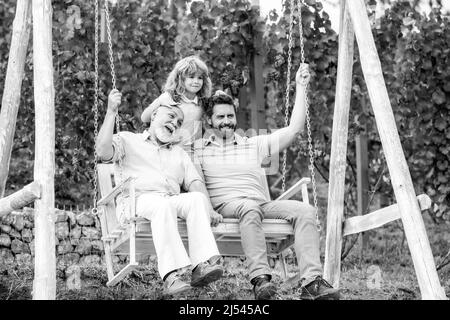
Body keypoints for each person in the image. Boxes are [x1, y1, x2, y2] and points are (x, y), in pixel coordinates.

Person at [193, 64, 340, 300]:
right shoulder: (198, 149)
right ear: (209, 120)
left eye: (230, 116)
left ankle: (311, 282)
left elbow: (294, 130)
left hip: (259, 205)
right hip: (226, 207)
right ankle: (260, 279)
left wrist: (301, 87)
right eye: (220, 117)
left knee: (305, 211)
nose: (227, 121)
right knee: (249, 207)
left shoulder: (253, 144)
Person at [96, 89, 224, 297]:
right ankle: (171, 276)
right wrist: (111, 111)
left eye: (179, 122)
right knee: (162, 205)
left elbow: (194, 183)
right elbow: (102, 152)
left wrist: (209, 209)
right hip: (136, 201)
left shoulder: (178, 153)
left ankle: (201, 265)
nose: (175, 123)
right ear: (154, 115)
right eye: (171, 116)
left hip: (167, 202)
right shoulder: (129, 140)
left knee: (196, 199)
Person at [141, 55, 212, 156]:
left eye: (200, 78)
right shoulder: (169, 97)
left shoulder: (202, 102)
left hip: (189, 152)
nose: (196, 81)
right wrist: (161, 104)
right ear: (181, 79)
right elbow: (144, 118)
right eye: (191, 77)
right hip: (167, 149)